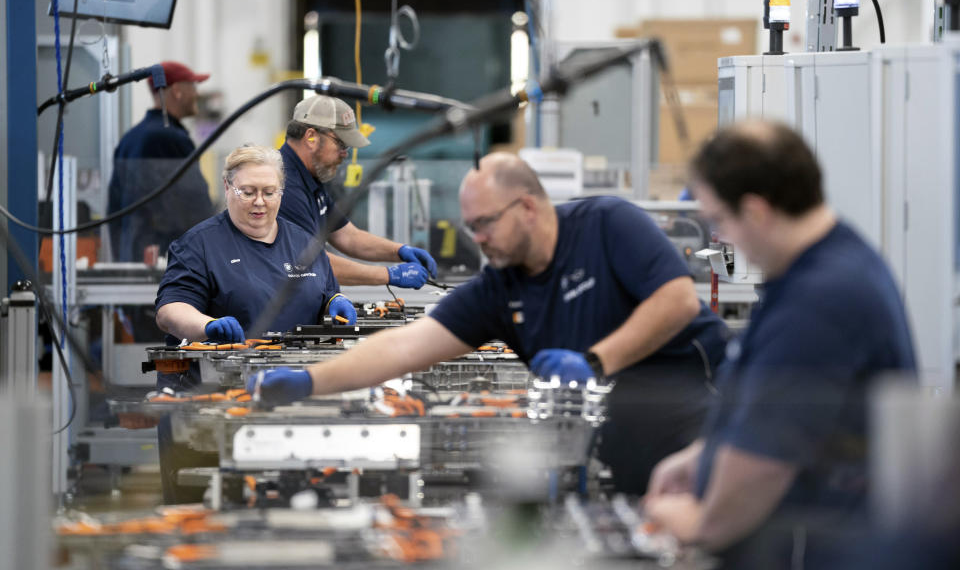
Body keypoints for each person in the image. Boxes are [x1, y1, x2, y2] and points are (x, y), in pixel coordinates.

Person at [250, 152, 729, 495]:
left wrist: (596, 360)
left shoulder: (607, 224)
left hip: (701, 418)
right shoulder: (499, 289)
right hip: (621, 439)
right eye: (470, 227)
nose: (478, 240)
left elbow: (677, 301)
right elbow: (403, 348)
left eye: (485, 224)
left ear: (526, 207)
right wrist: (310, 381)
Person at [643, 121, 917, 568]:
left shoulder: (822, 298)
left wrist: (700, 522)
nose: (723, 239)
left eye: (719, 221)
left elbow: (765, 461)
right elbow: (771, 405)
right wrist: (703, 455)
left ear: (755, 212)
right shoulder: (817, 270)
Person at [152, 144, 354, 502]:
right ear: (228, 187)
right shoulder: (200, 244)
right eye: (248, 192)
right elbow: (170, 311)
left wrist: (336, 303)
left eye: (269, 192)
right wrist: (206, 326)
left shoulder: (304, 243)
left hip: (288, 402)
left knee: (286, 507)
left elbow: (325, 295)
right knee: (206, 517)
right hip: (210, 408)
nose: (259, 202)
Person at [278, 95, 438, 290]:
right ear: (311, 137)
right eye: (341, 144)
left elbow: (348, 237)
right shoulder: (283, 186)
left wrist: (400, 251)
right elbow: (309, 264)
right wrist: (389, 274)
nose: (345, 153)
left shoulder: (311, 176)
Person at [108, 60, 214, 263]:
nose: (197, 94)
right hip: (166, 260)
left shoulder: (130, 138)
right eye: (192, 86)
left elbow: (114, 205)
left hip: (131, 256)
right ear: (176, 90)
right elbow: (195, 205)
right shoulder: (170, 138)